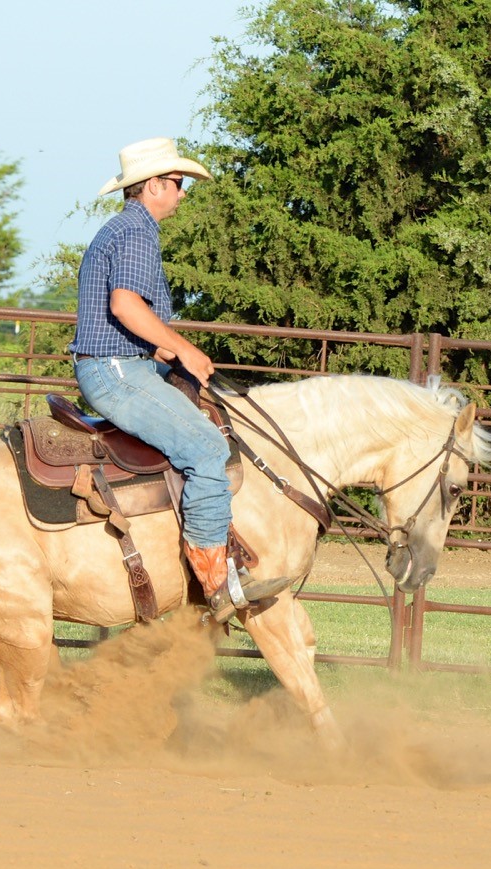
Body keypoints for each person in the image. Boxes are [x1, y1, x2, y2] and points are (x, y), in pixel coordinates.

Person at [69, 137, 287, 622]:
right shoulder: (136, 232)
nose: (183, 192)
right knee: (207, 449)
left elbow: (130, 316)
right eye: (177, 182)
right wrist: (184, 348)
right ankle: (217, 583)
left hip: (124, 362)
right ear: (152, 187)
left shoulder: (126, 228)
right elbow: (125, 306)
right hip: (117, 371)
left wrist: (170, 350)